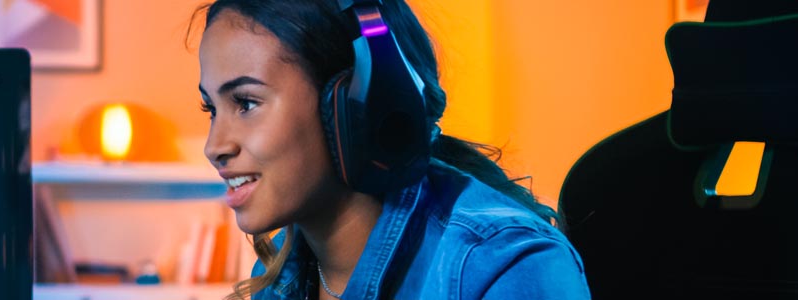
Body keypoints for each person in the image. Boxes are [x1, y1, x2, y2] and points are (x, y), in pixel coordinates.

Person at [193, 0, 591, 299]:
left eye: (246, 103)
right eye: (211, 108)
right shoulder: (281, 265)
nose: (215, 147)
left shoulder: (506, 267)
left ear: (359, 105)